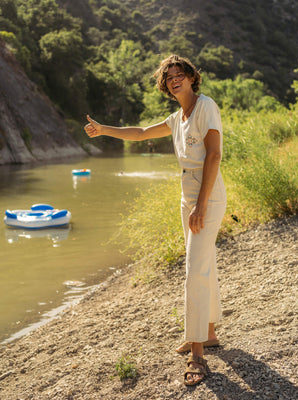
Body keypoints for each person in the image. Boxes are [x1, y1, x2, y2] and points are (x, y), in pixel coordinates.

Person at [84, 54, 227, 386]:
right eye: (169, 76)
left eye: (180, 74)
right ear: (165, 85)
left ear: (192, 77)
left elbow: (215, 155)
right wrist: (104, 129)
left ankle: (197, 355)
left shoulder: (206, 106)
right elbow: (140, 132)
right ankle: (208, 332)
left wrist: (201, 205)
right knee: (205, 262)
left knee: (194, 269)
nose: (175, 79)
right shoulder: (177, 117)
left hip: (207, 193)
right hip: (186, 195)